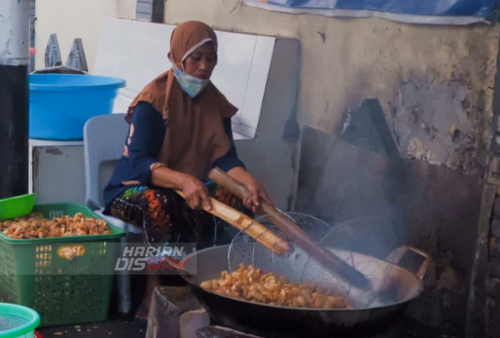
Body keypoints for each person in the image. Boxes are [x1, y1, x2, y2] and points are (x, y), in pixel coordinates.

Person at [102, 20, 272, 324]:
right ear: (178, 56)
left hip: (185, 186)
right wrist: (182, 179)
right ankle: (154, 291)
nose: (203, 67)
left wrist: (249, 184)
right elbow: (139, 163)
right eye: (196, 58)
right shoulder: (152, 100)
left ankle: (214, 284)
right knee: (160, 203)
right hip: (133, 188)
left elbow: (226, 158)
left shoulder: (214, 103)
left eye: (211, 59)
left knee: (229, 197)